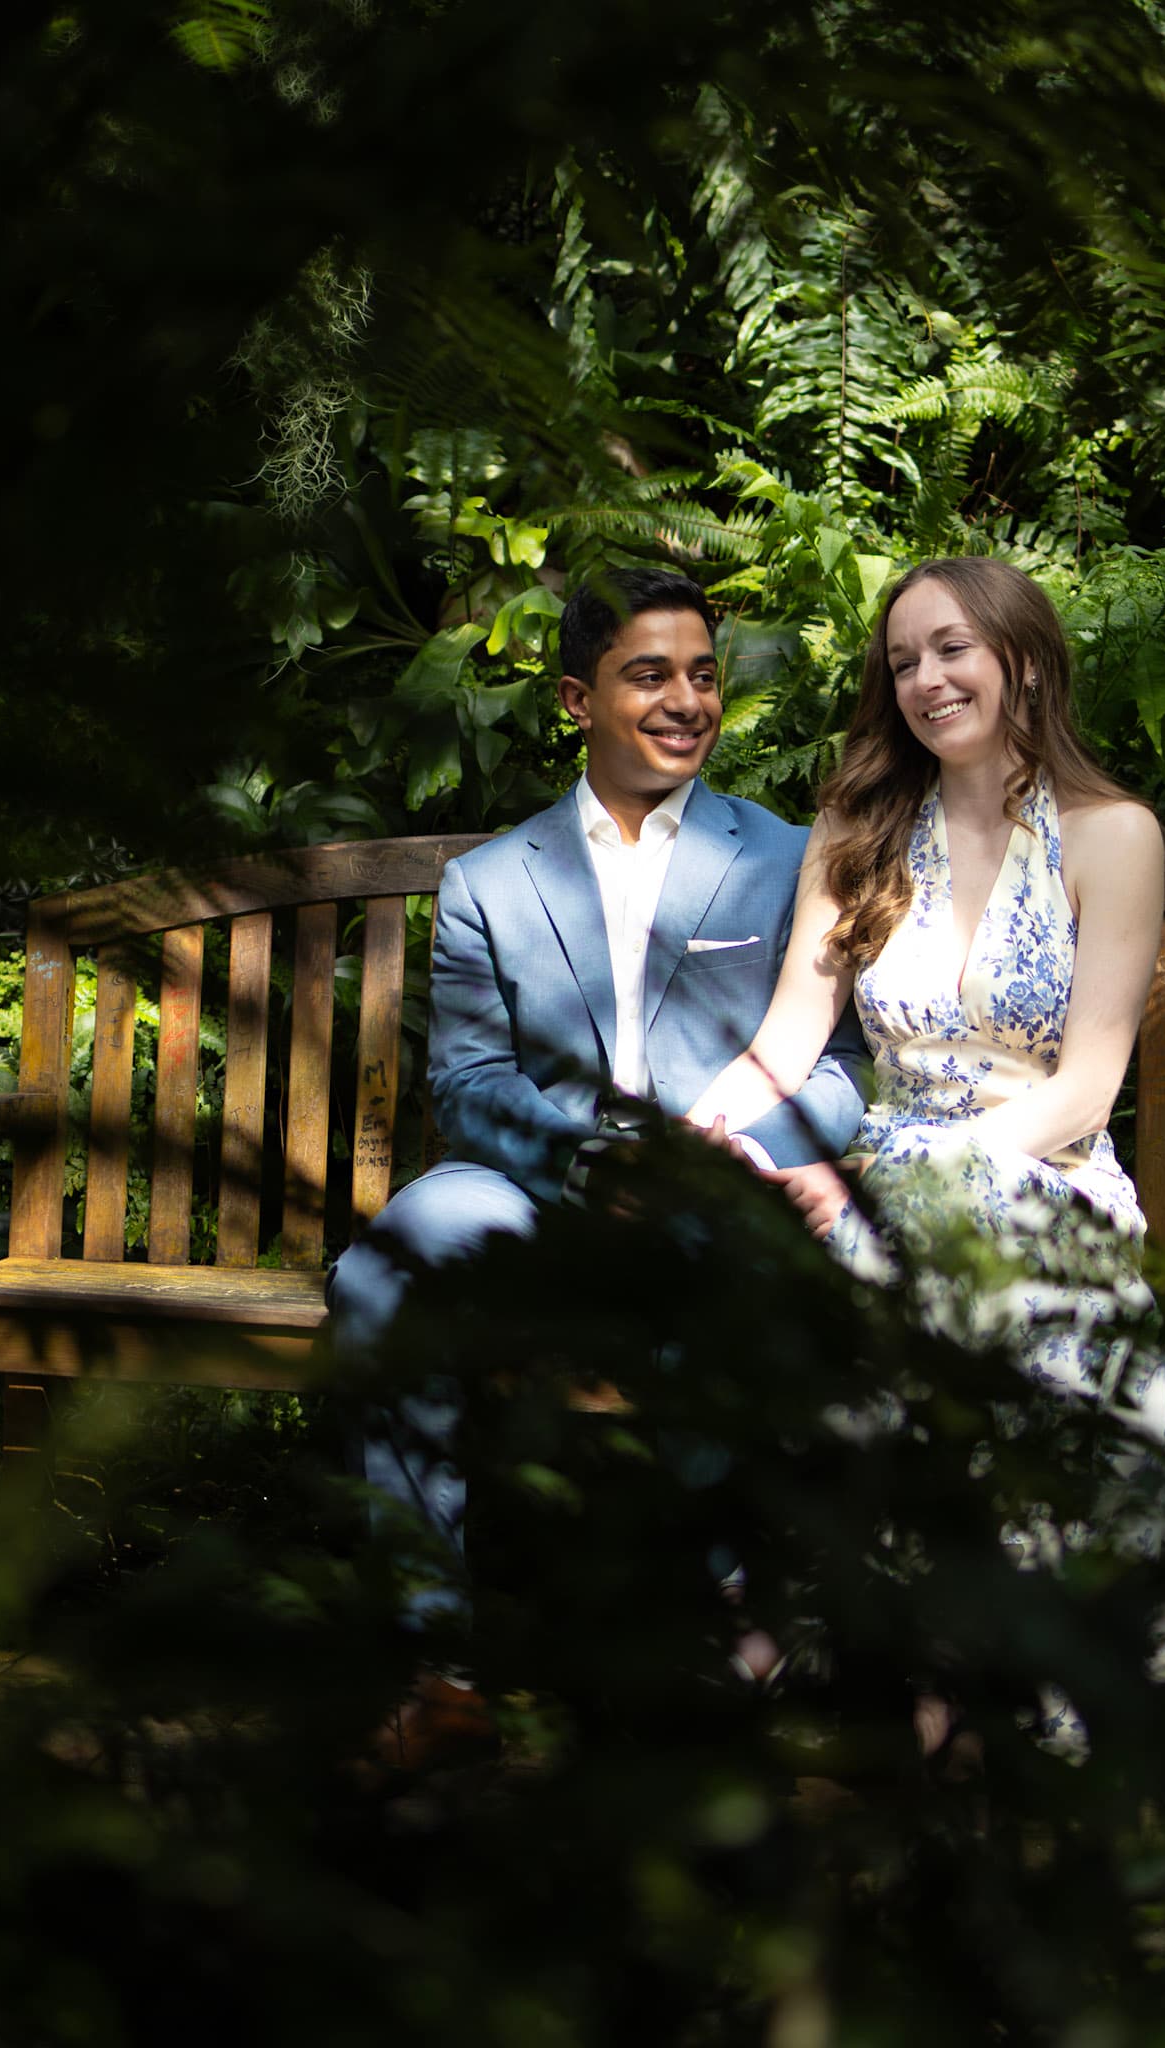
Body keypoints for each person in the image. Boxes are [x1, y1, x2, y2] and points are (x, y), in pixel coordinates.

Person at [687, 555, 1165, 1741]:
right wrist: (697, 1129)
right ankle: (935, 1676)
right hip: (893, 1174)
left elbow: (1086, 1087)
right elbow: (786, 1036)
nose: (926, 678)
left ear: (1022, 657)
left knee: (970, 1261)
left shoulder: (1112, 833)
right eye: (903, 659)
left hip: (1046, 1172)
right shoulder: (857, 827)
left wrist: (928, 1172)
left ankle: (855, 1643)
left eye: (952, 648)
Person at [327, 567, 870, 1620]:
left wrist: (737, 1158)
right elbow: (471, 1082)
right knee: (383, 1272)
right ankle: (426, 1651)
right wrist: (589, 1163)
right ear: (578, 699)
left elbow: (840, 1067)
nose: (687, 701)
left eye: (704, 676)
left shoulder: (787, 857)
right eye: (650, 674)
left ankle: (728, 1616)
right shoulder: (491, 878)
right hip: (536, 1181)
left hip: (722, 1178)